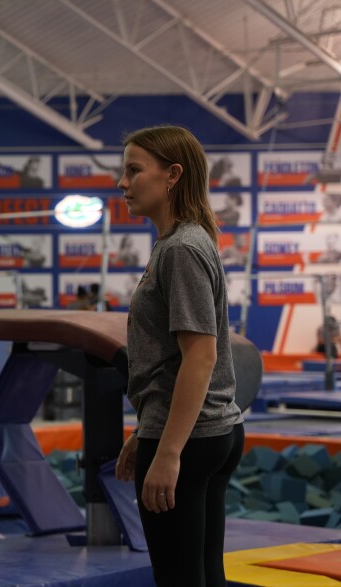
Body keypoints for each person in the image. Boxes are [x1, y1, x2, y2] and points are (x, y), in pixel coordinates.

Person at [114, 125, 244, 587]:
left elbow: (201, 357)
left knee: (179, 579)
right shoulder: (185, 241)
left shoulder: (182, 249)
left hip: (191, 438)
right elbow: (172, 359)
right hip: (210, 431)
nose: (123, 183)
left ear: (172, 175)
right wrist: (147, 428)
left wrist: (168, 451)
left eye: (134, 171)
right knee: (203, 576)